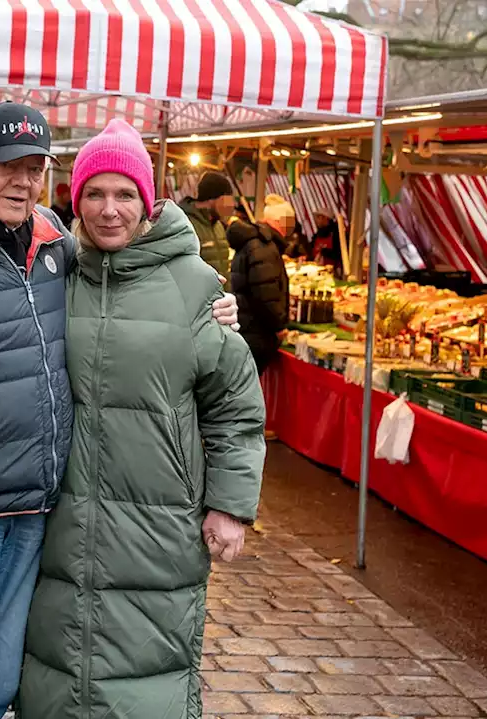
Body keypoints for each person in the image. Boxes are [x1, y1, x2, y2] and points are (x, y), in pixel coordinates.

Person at [0, 104, 241, 719]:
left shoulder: (55, 248)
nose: (22, 181)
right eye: (8, 166)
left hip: (37, 514)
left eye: (35, 169)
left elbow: (138, 285)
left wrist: (214, 309)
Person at [17, 118, 266, 719]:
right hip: (60, 517)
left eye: (124, 194)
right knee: (56, 672)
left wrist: (230, 505)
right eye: (95, 194)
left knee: (147, 680)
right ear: (76, 201)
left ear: (147, 201)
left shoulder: (194, 287)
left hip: (159, 525)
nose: (109, 210)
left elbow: (234, 403)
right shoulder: (53, 276)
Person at [228, 201, 291, 375]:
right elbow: (265, 293)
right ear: (279, 222)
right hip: (257, 333)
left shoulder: (253, 242)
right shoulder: (264, 247)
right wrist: (278, 326)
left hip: (246, 327)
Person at [180, 171, 237, 279]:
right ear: (211, 199)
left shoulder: (218, 225)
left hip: (221, 294)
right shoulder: (186, 224)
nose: (229, 206)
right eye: (225, 200)